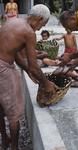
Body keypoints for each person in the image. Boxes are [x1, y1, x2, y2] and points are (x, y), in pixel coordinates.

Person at [0, 4, 58, 150]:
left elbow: (16, 54)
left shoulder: (14, 21)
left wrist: (26, 71)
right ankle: (14, 147)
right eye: (42, 25)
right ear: (38, 19)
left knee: (1, 107)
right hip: (3, 68)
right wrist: (46, 83)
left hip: (3, 63)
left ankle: (4, 140)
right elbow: (34, 65)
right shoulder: (29, 32)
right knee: (14, 113)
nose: (39, 29)